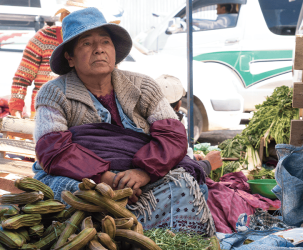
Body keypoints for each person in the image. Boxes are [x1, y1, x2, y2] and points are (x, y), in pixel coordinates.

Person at [33, 8, 215, 235]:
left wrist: (143, 172)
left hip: (143, 176)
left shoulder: (144, 86)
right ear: (70, 57)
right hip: (86, 179)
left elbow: (173, 135)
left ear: (114, 50)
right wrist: (106, 178)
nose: (99, 49)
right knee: (72, 194)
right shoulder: (53, 93)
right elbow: (53, 150)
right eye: (87, 44)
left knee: (185, 185)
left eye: (105, 42)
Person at [9, 0, 121, 119]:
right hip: (44, 113)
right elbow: (21, 79)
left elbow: (111, 82)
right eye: (69, 15)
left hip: (85, 116)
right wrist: (16, 111)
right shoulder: (43, 38)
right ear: (62, 17)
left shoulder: (101, 48)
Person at [155, 74, 223, 173]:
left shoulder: (141, 122)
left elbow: (172, 160)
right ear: (179, 105)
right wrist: (207, 164)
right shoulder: (173, 129)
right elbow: (179, 173)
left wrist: (191, 159)